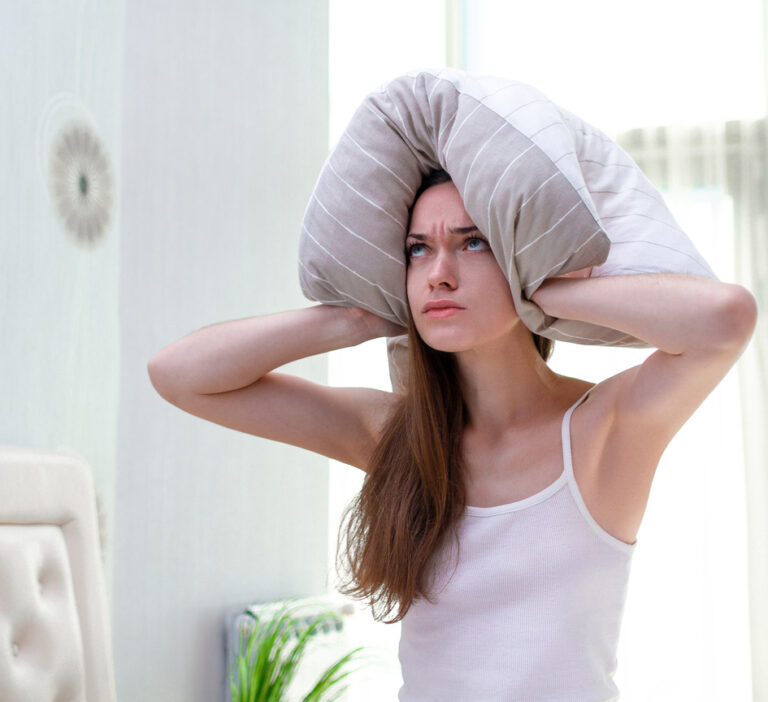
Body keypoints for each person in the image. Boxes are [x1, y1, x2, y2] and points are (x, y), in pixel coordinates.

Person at [147, 169, 757, 701]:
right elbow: (178, 376)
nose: (438, 273)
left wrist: (540, 284)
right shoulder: (395, 435)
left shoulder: (602, 431)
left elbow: (726, 318)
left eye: (473, 243)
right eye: (418, 250)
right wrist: (353, 316)